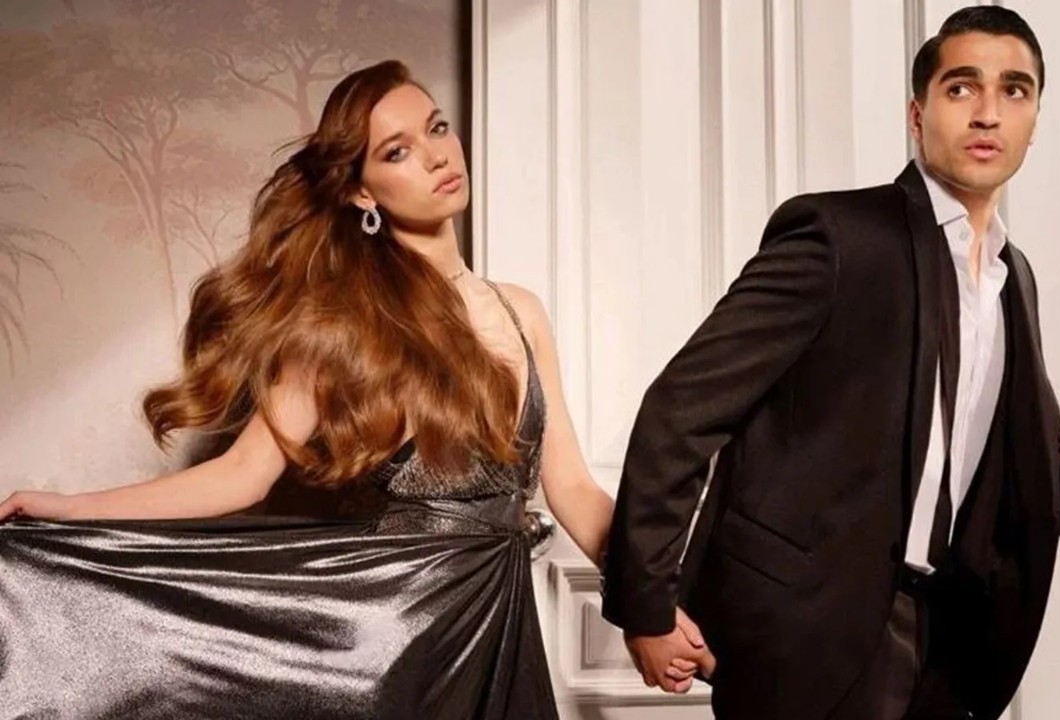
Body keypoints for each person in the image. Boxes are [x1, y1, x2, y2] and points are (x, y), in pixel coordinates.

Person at [0, 59, 694, 720]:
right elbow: (241, 475)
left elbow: (571, 488)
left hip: (498, 624)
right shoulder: (339, 328)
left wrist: (650, 606)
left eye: (437, 127)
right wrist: (67, 508)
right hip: (391, 639)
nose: (436, 156)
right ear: (362, 191)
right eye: (397, 152)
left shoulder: (521, 310)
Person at [601, 7, 1060, 719]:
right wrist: (647, 607)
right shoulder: (839, 237)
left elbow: (1035, 443)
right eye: (961, 87)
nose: (988, 112)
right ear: (917, 113)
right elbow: (680, 410)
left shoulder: (1011, 277)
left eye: (1014, 90)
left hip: (947, 644)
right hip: (805, 636)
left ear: (1033, 121)